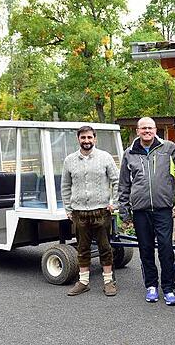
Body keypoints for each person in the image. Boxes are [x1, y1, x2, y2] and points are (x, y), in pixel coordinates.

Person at [118, 117, 175, 306]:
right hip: (140, 210)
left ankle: (168, 288)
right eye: (143, 128)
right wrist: (123, 209)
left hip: (162, 209)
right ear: (138, 131)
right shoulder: (129, 153)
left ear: (156, 129)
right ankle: (151, 286)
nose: (147, 131)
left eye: (150, 128)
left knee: (166, 249)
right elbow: (124, 184)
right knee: (145, 250)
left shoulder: (167, 147)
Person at [62, 125, 120, 297]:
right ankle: (83, 281)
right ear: (78, 139)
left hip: (101, 211)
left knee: (104, 247)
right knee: (82, 248)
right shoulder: (70, 160)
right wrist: (68, 208)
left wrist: (113, 202)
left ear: (95, 139)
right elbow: (65, 185)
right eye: (83, 138)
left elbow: (116, 180)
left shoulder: (105, 157)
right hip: (79, 212)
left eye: (89, 137)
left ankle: (109, 281)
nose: (86, 141)